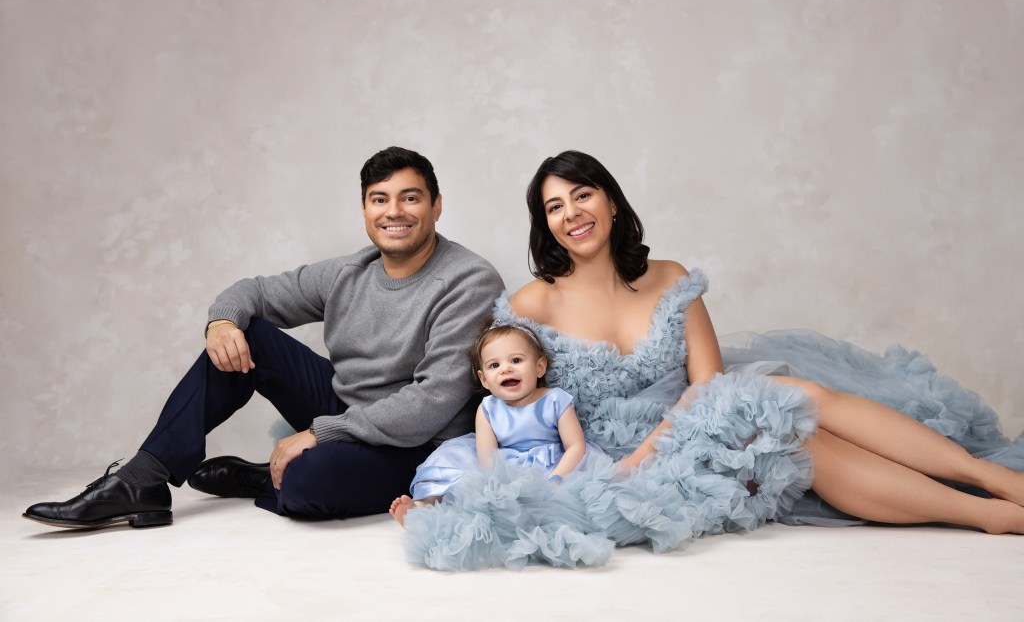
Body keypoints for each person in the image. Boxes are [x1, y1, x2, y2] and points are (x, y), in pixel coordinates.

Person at [402, 150, 1024, 570]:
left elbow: (708, 383)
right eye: (554, 207)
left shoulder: (669, 279)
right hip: (616, 463)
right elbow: (509, 390)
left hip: (691, 422)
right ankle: (986, 514)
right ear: (545, 225)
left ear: (611, 202)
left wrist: (669, 437)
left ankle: (990, 480)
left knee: (790, 404)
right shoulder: (534, 303)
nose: (572, 215)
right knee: (795, 444)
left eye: (582, 195)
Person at [23, 146, 505, 529]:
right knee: (246, 333)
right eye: (380, 199)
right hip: (346, 410)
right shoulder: (349, 272)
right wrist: (221, 323)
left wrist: (319, 433)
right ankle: (142, 481)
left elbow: (432, 402)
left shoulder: (468, 280)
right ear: (364, 209)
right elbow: (251, 292)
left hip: (418, 443)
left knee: (307, 487)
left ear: (436, 206)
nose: (393, 212)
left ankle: (270, 474)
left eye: (410, 197)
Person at [389, 321, 605, 525]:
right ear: (484, 380)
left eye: (516, 360)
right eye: (494, 365)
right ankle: (422, 508)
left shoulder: (555, 400)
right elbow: (487, 456)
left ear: (539, 367)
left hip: (553, 466)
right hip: (502, 467)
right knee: (450, 464)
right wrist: (498, 486)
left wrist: (557, 477)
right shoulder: (488, 408)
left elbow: (576, 446)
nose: (506, 369)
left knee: (584, 494)